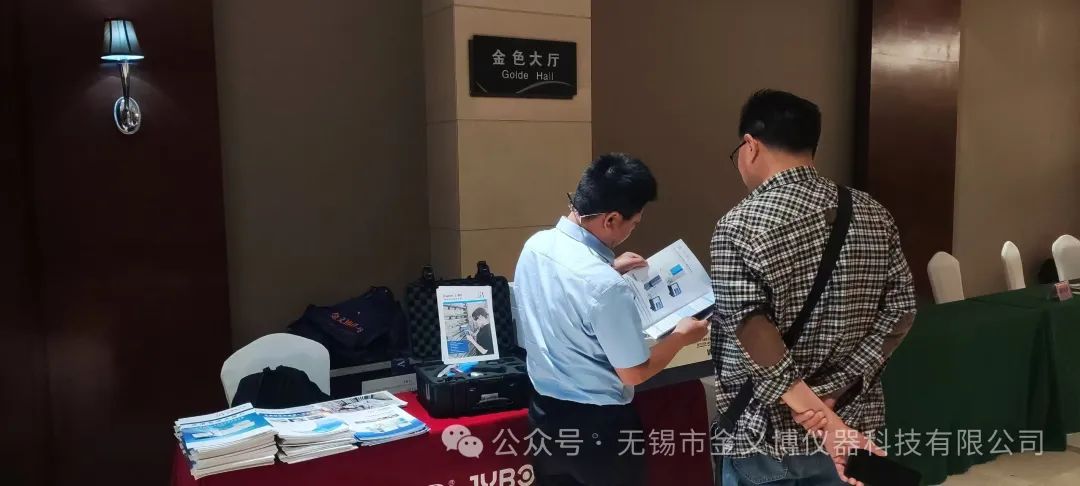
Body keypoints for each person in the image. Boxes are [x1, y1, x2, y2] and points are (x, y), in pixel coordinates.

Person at [710, 89, 917, 486]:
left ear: (751, 146)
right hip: (850, 424)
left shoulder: (739, 226)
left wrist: (822, 421)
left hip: (766, 431)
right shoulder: (873, 213)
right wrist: (837, 391)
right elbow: (901, 310)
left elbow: (752, 330)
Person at [514, 153, 710, 486]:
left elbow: (565, 290)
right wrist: (681, 336)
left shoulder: (536, 246)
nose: (631, 231)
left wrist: (609, 268)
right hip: (599, 431)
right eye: (634, 224)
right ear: (611, 219)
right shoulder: (605, 286)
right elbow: (633, 373)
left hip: (544, 417)